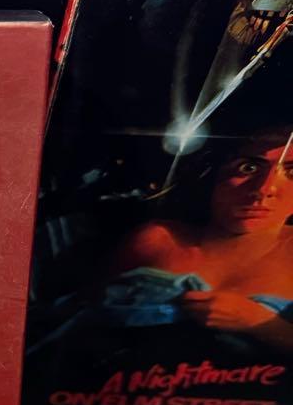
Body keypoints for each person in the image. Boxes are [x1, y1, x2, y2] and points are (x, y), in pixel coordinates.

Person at [106, 131, 293, 354]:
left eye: (292, 172)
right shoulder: (155, 240)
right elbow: (80, 326)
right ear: (212, 174)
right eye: (248, 168)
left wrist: (261, 324)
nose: (263, 190)